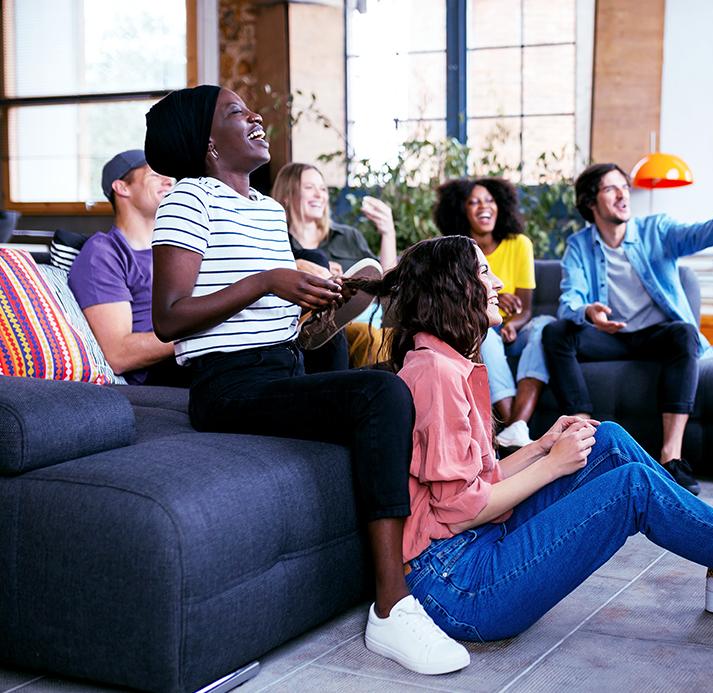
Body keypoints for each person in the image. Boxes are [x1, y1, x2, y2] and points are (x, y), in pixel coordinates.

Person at [369, 234, 713, 644]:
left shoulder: (447, 362)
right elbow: (460, 509)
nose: (498, 281)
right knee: (633, 487)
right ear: (454, 288)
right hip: (460, 586)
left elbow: (470, 482)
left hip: (472, 549)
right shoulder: (434, 372)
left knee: (609, 438)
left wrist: (542, 446)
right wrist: (550, 468)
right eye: (484, 271)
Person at [143, 84, 469, 675]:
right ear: (207, 142)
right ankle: (392, 608)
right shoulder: (189, 200)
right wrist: (270, 281)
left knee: (388, 370)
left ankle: (435, 548)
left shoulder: (268, 210)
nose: (255, 118)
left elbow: (278, 319)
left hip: (284, 362)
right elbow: (169, 316)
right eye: (237, 113)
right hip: (227, 387)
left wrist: (324, 302)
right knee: (382, 393)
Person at [543, 163, 713, 495]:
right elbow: (569, 300)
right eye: (611, 188)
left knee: (684, 333)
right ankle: (584, 442)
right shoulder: (579, 246)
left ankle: (671, 457)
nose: (623, 193)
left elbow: (701, 234)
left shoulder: (657, 230)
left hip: (655, 335)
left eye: (624, 186)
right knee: (555, 332)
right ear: (590, 202)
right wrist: (589, 312)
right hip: (609, 336)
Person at [434, 177, 553, 448]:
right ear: (460, 210)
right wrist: (493, 302)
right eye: (473, 202)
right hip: (482, 330)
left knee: (545, 325)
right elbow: (453, 305)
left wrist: (515, 324)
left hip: (516, 333)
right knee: (483, 331)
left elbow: (525, 308)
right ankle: (515, 426)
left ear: (501, 206)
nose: (483, 207)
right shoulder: (458, 252)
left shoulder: (519, 244)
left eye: (489, 200)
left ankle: (513, 430)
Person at [67, 149, 190, 386]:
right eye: (155, 174)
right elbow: (118, 354)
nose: (169, 180)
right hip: (161, 372)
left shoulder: (181, 246)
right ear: (122, 187)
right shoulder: (103, 252)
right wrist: (206, 334)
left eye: (169, 176)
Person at [271, 163, 395, 373]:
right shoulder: (276, 241)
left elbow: (387, 280)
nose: (319, 195)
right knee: (316, 261)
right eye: (309, 187)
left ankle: (331, 309)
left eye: (322, 189)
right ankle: (324, 312)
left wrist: (388, 233)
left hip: (358, 323)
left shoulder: (348, 237)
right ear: (287, 193)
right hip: (297, 329)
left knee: (369, 335)